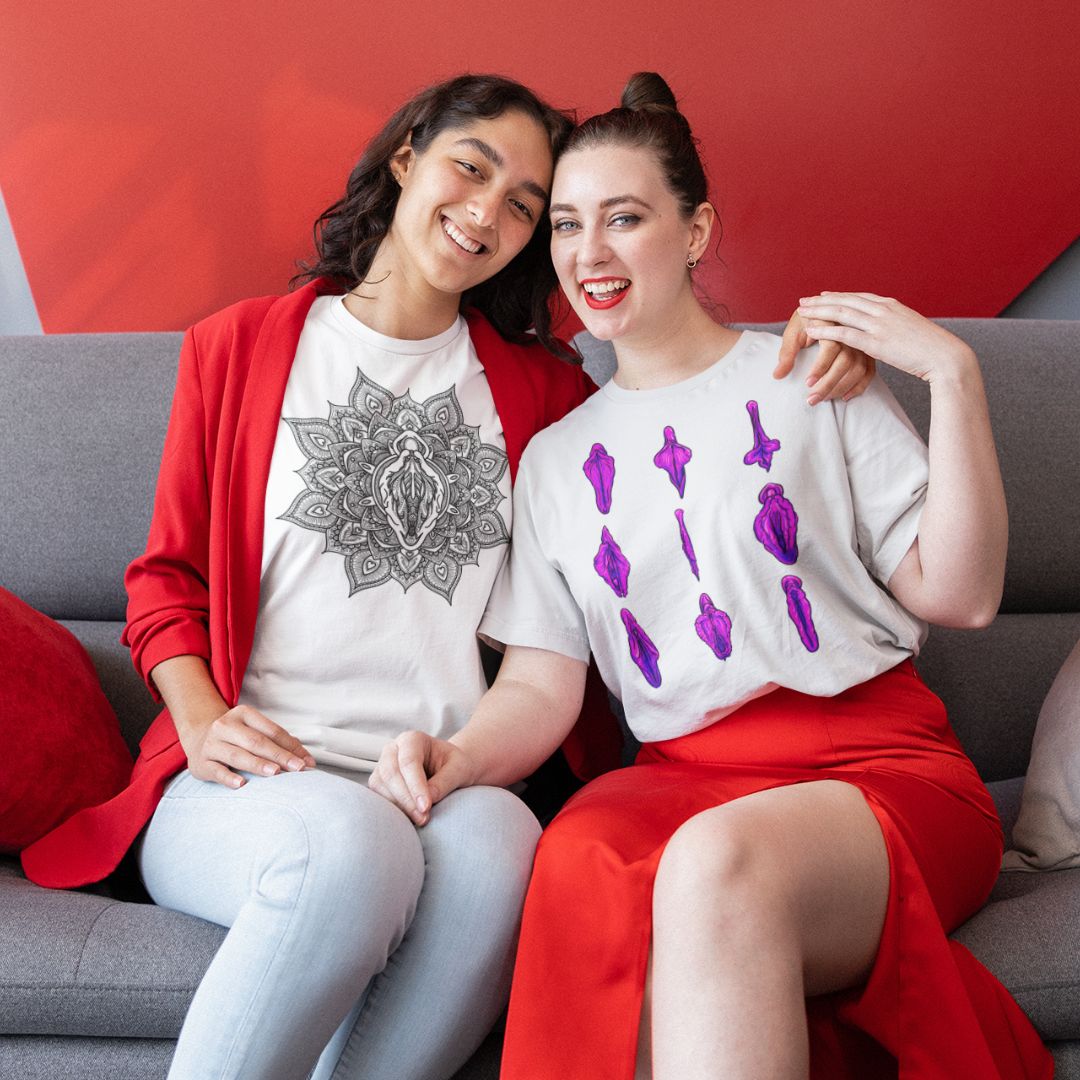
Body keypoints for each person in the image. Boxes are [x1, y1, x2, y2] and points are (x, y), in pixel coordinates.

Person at [20, 74, 871, 1080]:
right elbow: (165, 579)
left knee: (509, 843)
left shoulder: (545, 390)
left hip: (438, 780)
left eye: (524, 205)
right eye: (472, 168)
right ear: (409, 154)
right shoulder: (239, 347)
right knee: (350, 847)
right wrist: (201, 717)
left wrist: (812, 373)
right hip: (244, 786)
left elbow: (666, 430)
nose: (488, 213)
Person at [369, 74, 1054, 1079]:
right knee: (579, 857)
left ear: (695, 233)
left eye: (625, 218)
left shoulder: (809, 378)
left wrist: (953, 375)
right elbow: (543, 683)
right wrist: (460, 757)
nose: (589, 254)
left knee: (714, 863)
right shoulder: (556, 461)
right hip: (680, 775)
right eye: (564, 225)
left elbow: (961, 595)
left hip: (875, 770)